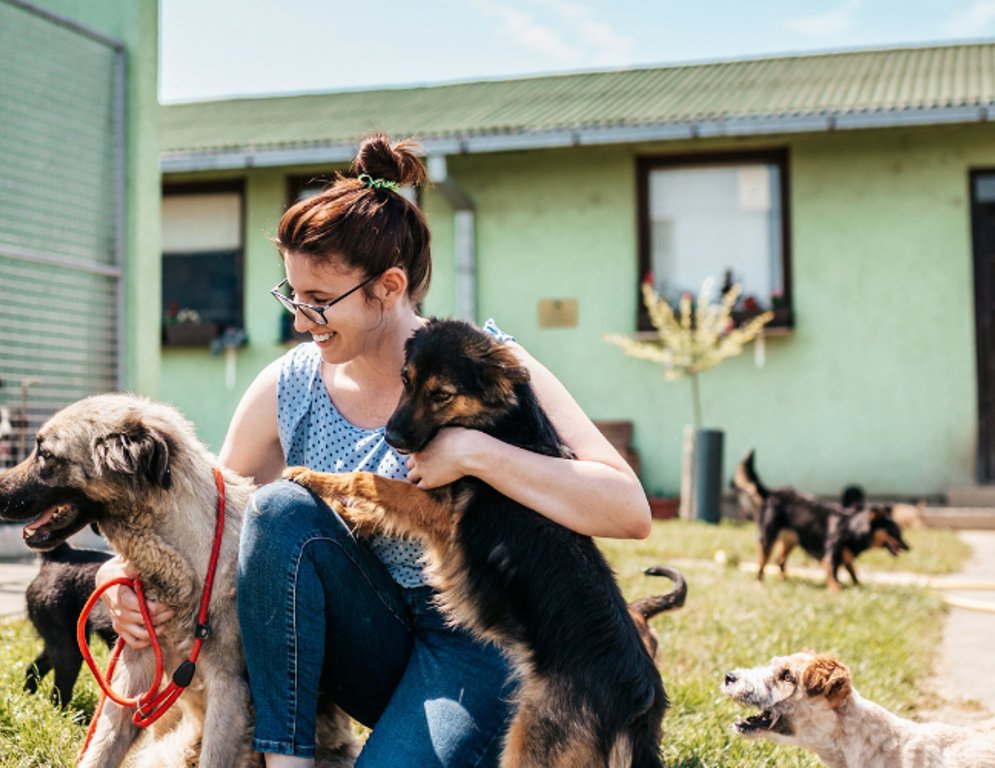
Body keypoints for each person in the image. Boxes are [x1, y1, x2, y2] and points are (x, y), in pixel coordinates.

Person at [97, 135, 651, 767]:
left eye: (318, 301)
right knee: (279, 508)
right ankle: (287, 759)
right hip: (357, 635)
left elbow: (628, 508)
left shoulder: (482, 364)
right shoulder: (291, 382)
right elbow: (207, 520)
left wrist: (475, 452)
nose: (301, 319)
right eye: (291, 297)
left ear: (387, 286)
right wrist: (119, 579)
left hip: (471, 643)